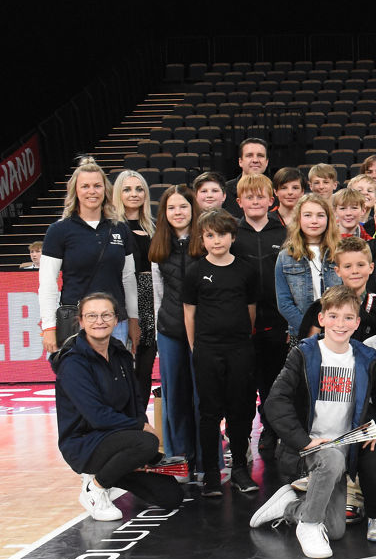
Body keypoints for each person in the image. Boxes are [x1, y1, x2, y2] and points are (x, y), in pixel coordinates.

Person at [251, 286, 376, 559]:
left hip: (343, 448)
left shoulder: (365, 358)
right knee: (331, 460)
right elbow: (275, 402)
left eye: (348, 317)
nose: (341, 324)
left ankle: (290, 506)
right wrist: (304, 440)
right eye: (334, 316)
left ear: (357, 322)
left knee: (336, 529)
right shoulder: (304, 354)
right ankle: (309, 526)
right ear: (322, 319)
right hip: (310, 446)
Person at [53, 292, 184, 521]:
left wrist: (142, 427)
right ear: (81, 321)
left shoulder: (120, 353)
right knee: (147, 442)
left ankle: (109, 474)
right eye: (92, 316)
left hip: (118, 439)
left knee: (171, 497)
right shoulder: (73, 362)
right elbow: (97, 416)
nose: (99, 321)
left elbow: (135, 401)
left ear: (116, 320)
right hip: (84, 444)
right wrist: (140, 428)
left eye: (106, 315)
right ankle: (94, 488)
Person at [183, 209, 259, 497]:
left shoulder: (246, 270)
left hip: (240, 349)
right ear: (202, 239)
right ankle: (212, 475)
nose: (217, 241)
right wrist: (196, 347)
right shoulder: (195, 271)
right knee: (209, 412)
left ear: (233, 237)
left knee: (240, 410)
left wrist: (240, 338)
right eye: (210, 235)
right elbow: (189, 313)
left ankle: (239, 468)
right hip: (207, 350)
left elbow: (250, 310)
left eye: (222, 235)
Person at [40, 158, 139, 355]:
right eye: (85, 186)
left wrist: (134, 321)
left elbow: (128, 279)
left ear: (105, 190)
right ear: (75, 191)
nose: (92, 191)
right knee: (78, 375)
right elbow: (48, 283)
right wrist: (49, 327)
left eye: (97, 186)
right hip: (76, 323)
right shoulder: (58, 231)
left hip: (116, 322)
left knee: (114, 375)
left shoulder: (120, 229)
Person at [230, 174, 291, 458]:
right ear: (239, 201)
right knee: (242, 383)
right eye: (249, 197)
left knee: (273, 382)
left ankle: (271, 429)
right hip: (241, 322)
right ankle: (239, 435)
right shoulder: (232, 234)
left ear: (271, 200)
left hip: (277, 321)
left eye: (260, 196)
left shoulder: (284, 233)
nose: (255, 202)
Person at [148, 185, 199, 478]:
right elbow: (158, 293)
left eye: (183, 206)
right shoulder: (159, 247)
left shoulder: (205, 242)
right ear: (164, 213)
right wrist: (160, 332)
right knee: (175, 398)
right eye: (171, 208)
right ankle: (180, 460)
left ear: (193, 209)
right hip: (169, 331)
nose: (177, 212)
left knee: (202, 398)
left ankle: (207, 462)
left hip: (202, 332)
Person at [275, 193, 341, 345]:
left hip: (338, 331)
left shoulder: (340, 253)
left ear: (328, 219)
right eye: (307, 215)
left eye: (320, 215)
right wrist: (309, 329)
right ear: (298, 219)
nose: (314, 221)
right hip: (301, 334)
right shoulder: (285, 256)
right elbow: (284, 303)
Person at [114, 170, 156, 394]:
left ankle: (139, 412)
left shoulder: (155, 228)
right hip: (121, 301)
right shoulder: (111, 229)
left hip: (151, 302)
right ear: (117, 194)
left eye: (139, 189)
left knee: (144, 367)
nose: (134, 194)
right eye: (127, 189)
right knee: (120, 367)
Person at [298, 236, 376, 340]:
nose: (355, 271)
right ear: (337, 271)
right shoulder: (324, 305)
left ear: (371, 268)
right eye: (348, 266)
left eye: (360, 265)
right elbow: (310, 346)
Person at [222, 137, 269, 215]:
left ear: (266, 162)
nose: (255, 160)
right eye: (249, 155)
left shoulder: (276, 192)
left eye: (260, 155)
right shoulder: (224, 191)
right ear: (240, 161)